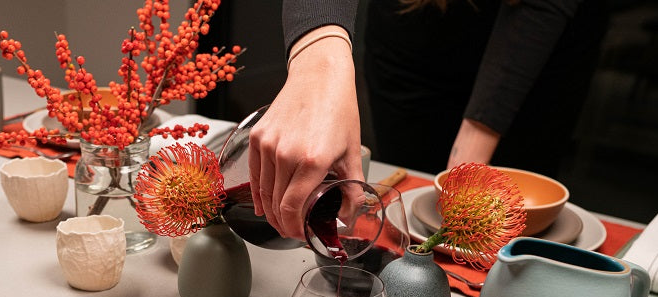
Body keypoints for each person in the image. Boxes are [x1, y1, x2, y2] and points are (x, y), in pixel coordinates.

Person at [249, 0, 608, 240]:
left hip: (535, 43)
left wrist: (469, 156)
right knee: (407, 219)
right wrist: (318, 57)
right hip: (412, 20)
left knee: (508, 229)